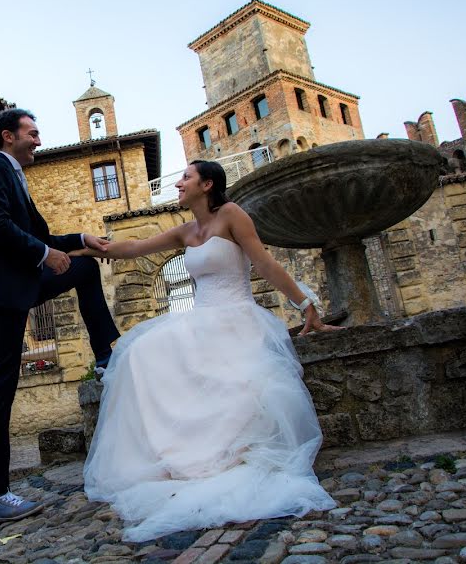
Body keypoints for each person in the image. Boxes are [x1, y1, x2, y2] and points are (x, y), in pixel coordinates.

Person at [73, 159, 341, 541]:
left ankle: (225, 453)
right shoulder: (186, 230)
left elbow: (263, 262)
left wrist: (305, 304)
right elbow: (133, 247)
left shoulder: (231, 215)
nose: (178, 183)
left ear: (207, 184)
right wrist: (85, 251)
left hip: (236, 319)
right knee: (138, 353)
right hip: (200, 318)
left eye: (186, 177)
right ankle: (171, 451)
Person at [0, 108, 121, 525]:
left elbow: (42, 238)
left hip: (18, 285)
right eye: (32, 133)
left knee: (84, 267)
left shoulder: (16, 177)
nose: (38, 140)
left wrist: (79, 240)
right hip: (1, 291)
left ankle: (105, 356)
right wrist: (43, 254)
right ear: (7, 136)